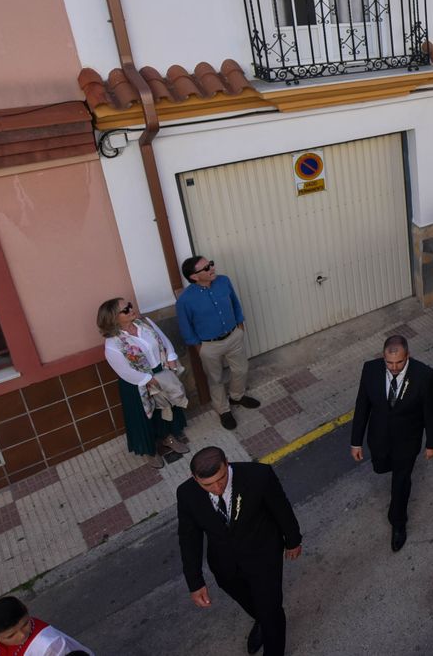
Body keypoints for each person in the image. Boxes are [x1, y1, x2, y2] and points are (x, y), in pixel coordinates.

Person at [178, 447, 301, 656]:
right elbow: (189, 538)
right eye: (207, 484)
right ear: (195, 478)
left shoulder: (258, 476)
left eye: (221, 478)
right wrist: (195, 581)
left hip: (263, 558)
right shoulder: (187, 494)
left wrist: (293, 541)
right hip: (225, 567)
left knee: (271, 612)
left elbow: (281, 508)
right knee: (254, 605)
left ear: (227, 464)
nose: (217, 488)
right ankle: (260, 620)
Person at [350, 334, 433, 553]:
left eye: (399, 362)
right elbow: (362, 406)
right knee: (381, 466)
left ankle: (398, 522)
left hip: (407, 441)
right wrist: (356, 442)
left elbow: (430, 412)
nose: (394, 368)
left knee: (401, 482)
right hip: (379, 438)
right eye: (389, 363)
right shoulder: (370, 370)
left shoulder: (424, 375)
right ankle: (388, 470)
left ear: (407, 356)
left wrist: (432, 443)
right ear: (383, 357)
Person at [99, 298, 190, 467]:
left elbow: (164, 340)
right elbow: (125, 371)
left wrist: (171, 359)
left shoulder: (145, 323)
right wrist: (150, 380)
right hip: (137, 383)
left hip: (161, 372)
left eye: (130, 306)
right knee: (146, 416)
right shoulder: (112, 344)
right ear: (113, 318)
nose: (131, 309)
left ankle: (168, 438)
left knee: (166, 407)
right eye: (125, 310)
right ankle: (150, 450)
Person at [176, 256, 259, 431]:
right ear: (194, 277)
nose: (212, 269)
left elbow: (235, 303)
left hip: (233, 336)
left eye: (211, 264)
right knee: (215, 379)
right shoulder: (185, 300)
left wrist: (240, 327)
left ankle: (237, 396)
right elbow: (186, 328)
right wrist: (200, 349)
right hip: (209, 346)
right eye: (206, 268)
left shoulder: (224, 281)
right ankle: (223, 410)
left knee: (241, 369)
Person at [0, 596, 93, 656]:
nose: (22, 635)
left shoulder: (50, 646)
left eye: (25, 624)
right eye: (11, 636)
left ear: (27, 610)